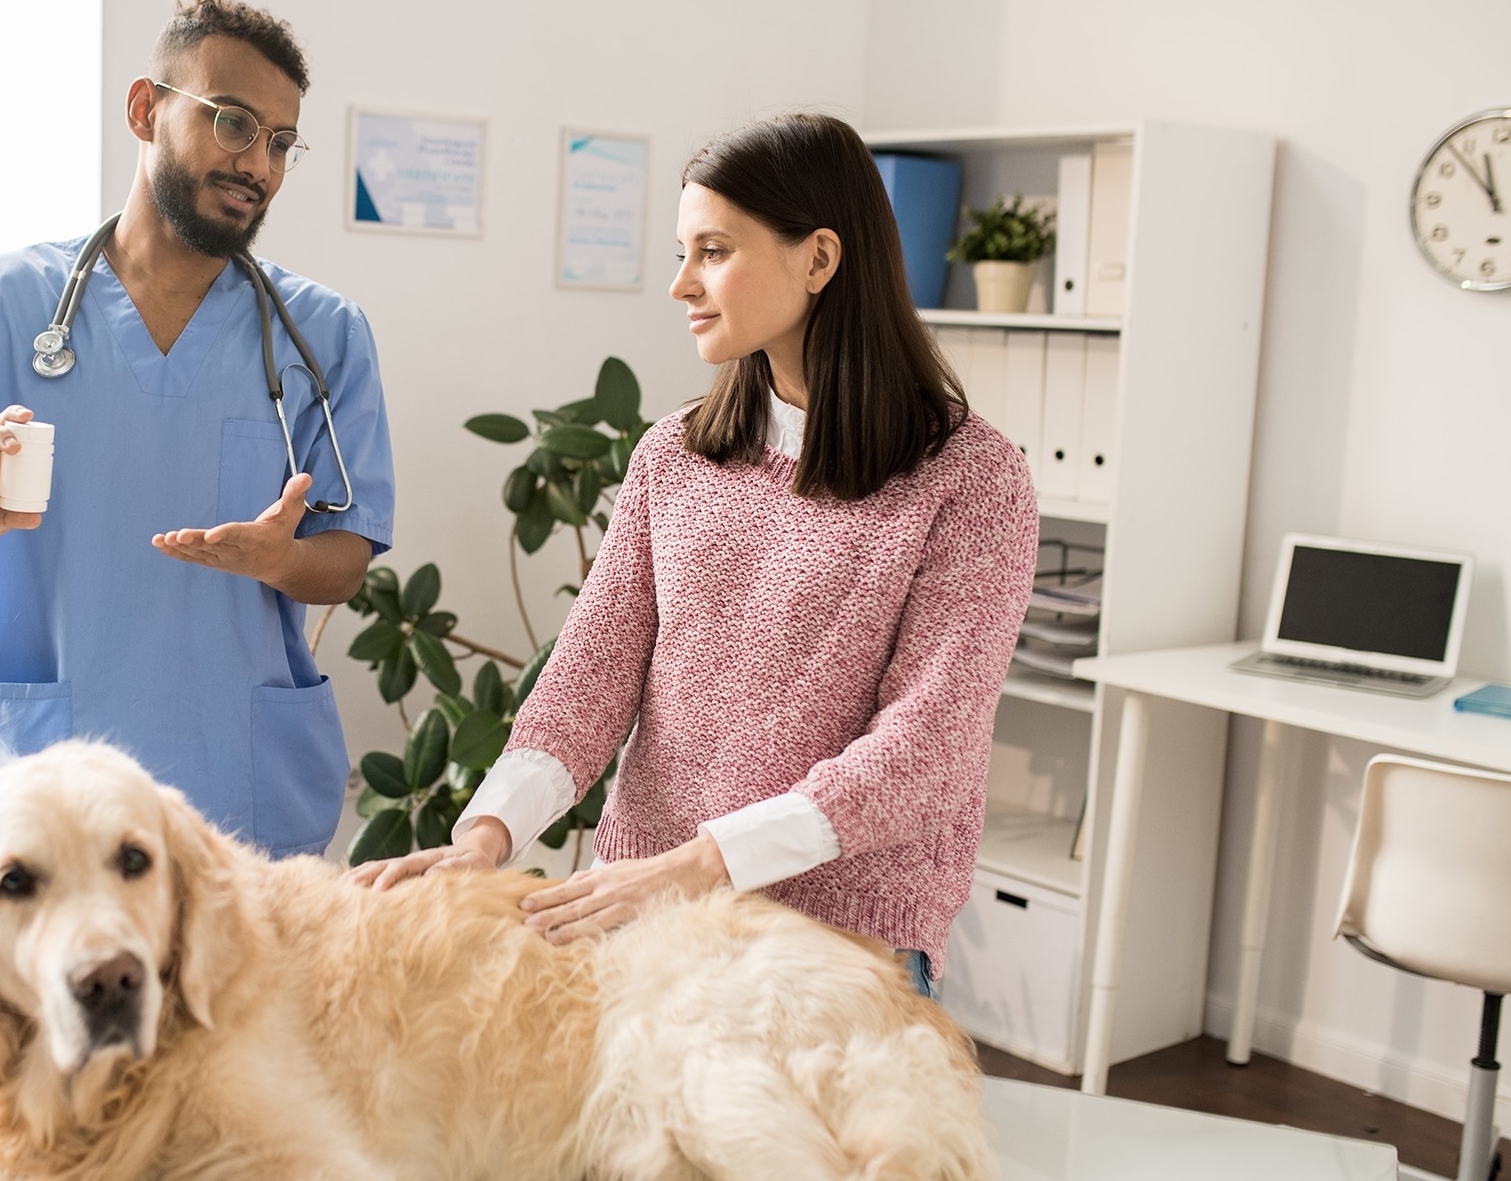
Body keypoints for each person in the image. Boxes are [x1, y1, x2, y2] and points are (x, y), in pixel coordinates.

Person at [348, 112, 1037, 996]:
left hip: (831, 946)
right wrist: (484, 838)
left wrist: (704, 862)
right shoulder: (673, 456)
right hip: (644, 919)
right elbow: (585, 681)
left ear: (819, 259)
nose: (680, 284)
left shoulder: (973, 481)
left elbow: (920, 752)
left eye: (713, 250)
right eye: (683, 251)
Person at [0, 0, 394, 858]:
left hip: (242, 797)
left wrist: (282, 560)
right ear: (146, 109)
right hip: (45, 790)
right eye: (233, 122)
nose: (257, 162)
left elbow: (346, 559)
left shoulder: (322, 336)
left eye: (281, 142)